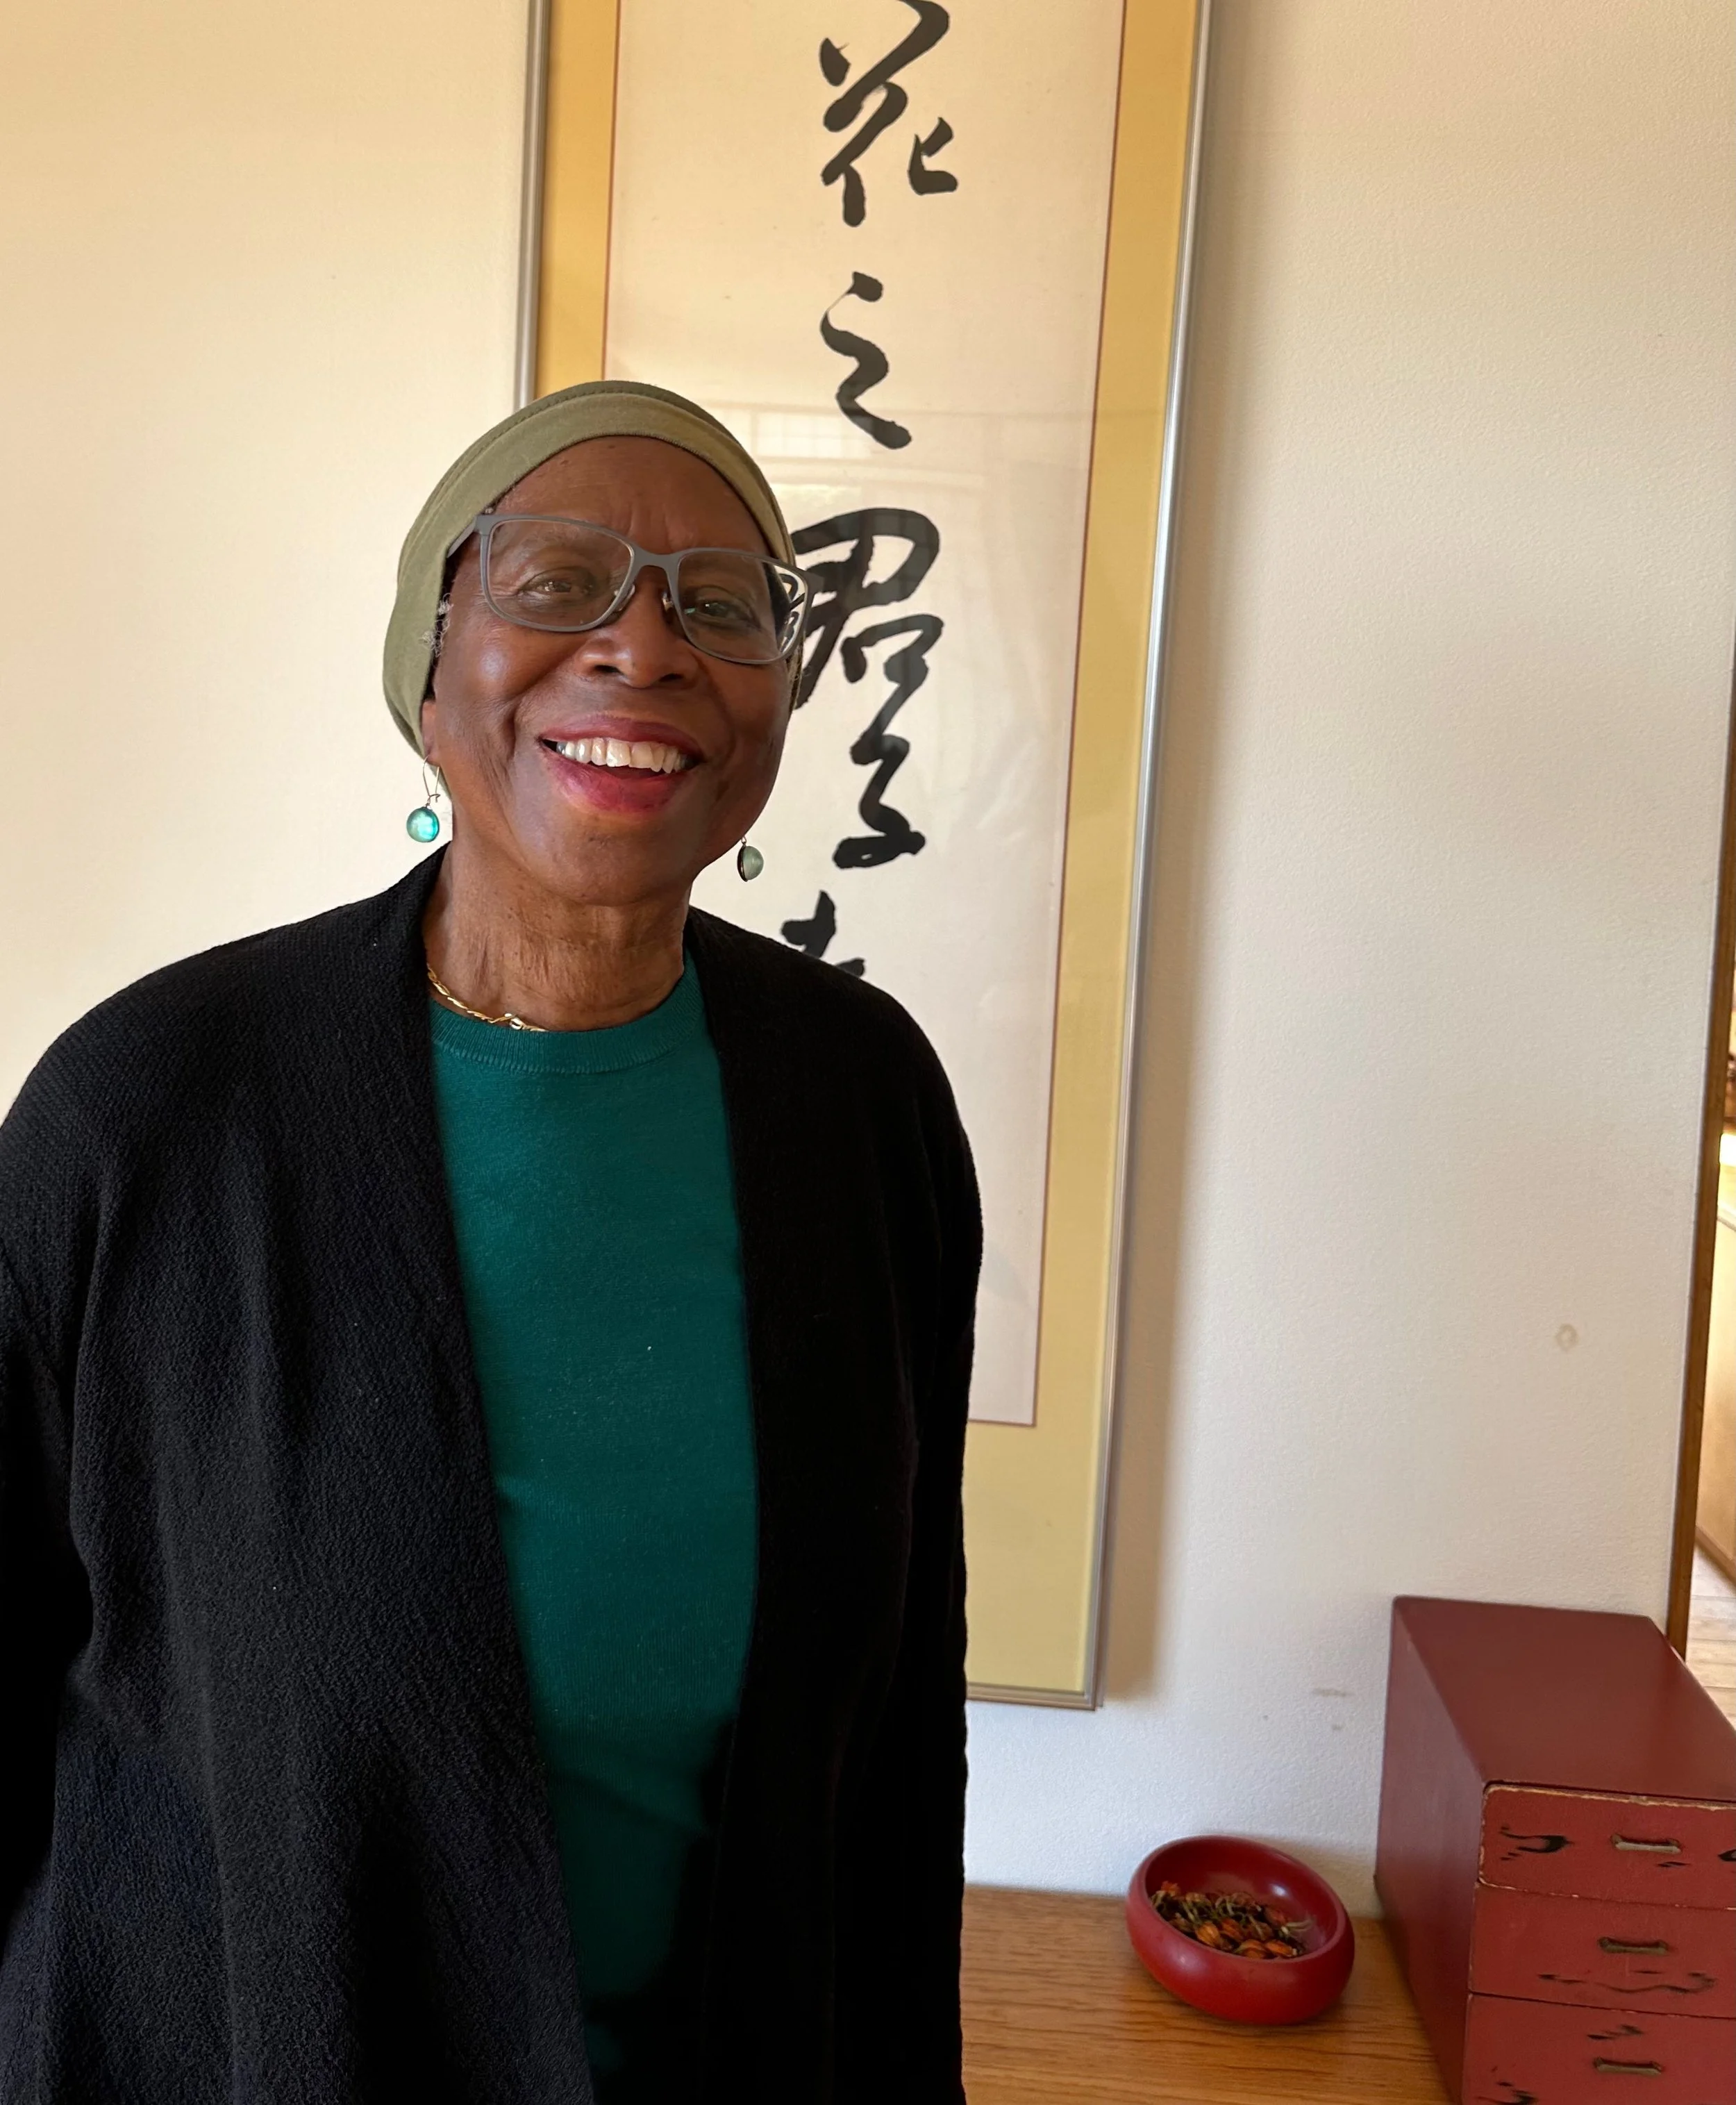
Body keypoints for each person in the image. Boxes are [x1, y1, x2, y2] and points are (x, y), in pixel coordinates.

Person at [0, 381, 980, 2103]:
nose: (643, 646)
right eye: (556, 582)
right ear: (428, 668)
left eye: (723, 605)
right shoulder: (144, 1109)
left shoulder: (861, 1100)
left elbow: (897, 1729)